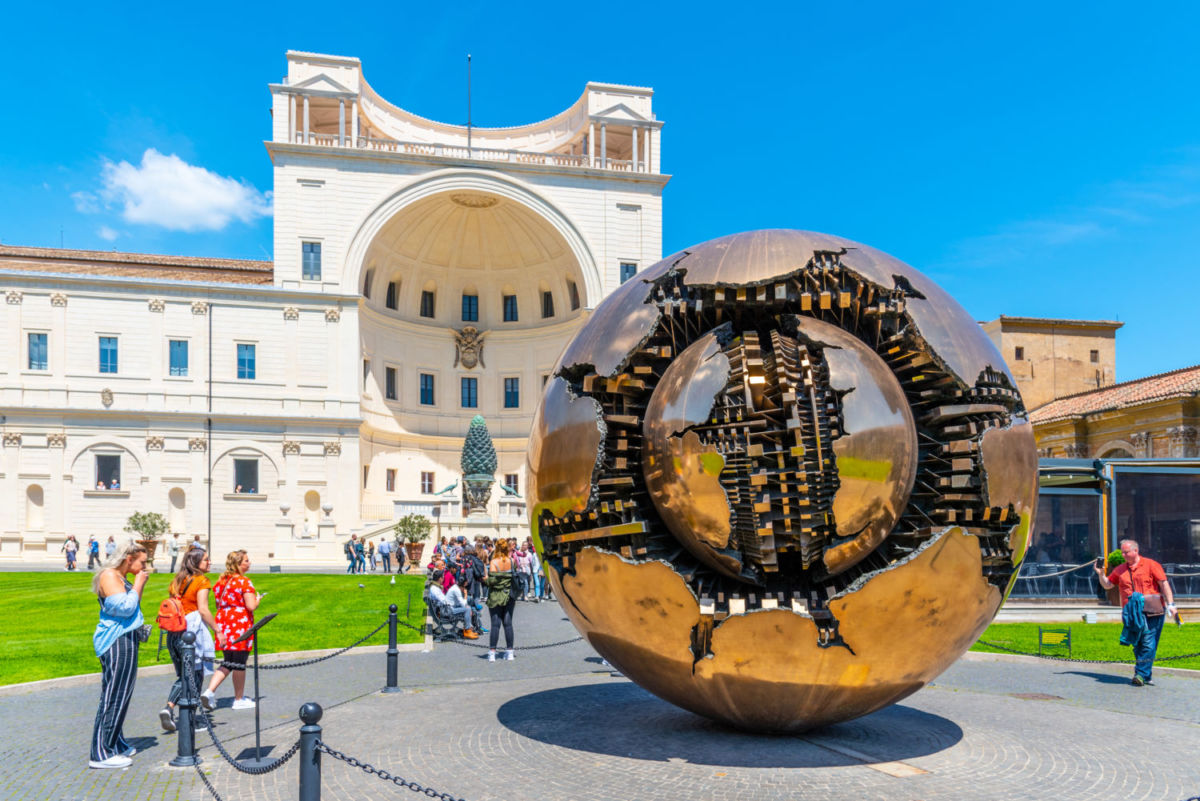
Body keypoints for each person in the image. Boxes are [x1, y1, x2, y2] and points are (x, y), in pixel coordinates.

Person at [89, 540, 149, 769]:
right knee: (114, 695)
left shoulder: (121, 578)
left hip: (125, 638)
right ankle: (100, 753)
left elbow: (130, 607)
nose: (145, 567)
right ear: (128, 558)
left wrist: (135, 585)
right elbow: (124, 608)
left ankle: (115, 743)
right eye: (142, 562)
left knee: (121, 694)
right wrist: (139, 584)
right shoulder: (110, 576)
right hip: (116, 641)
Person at [1095, 538, 1178, 686]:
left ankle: (1140, 674)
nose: (1124, 555)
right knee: (1138, 644)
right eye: (1122, 553)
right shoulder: (1120, 569)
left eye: (1126, 552)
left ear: (1136, 551)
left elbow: (1164, 584)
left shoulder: (1151, 565)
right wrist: (1101, 574)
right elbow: (1108, 585)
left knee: (1148, 642)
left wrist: (1171, 604)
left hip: (1152, 610)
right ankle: (1146, 675)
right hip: (1131, 612)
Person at [159, 549, 221, 733]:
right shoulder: (202, 581)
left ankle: (169, 708)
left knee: (184, 676)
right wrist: (217, 630)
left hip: (174, 633)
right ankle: (190, 720)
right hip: (191, 634)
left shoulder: (177, 580)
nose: (209, 563)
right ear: (196, 562)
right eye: (206, 560)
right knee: (195, 676)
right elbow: (203, 609)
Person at [204, 550, 262, 710]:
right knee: (240, 662)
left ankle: (209, 691)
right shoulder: (244, 582)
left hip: (224, 622)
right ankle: (238, 698)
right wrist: (257, 600)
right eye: (246, 561)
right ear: (238, 564)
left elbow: (217, 603)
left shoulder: (221, 582)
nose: (249, 563)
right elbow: (250, 606)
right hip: (239, 623)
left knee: (228, 660)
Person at [485, 539, 518, 662]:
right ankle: (510, 652)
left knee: (495, 624)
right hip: (509, 595)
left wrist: (485, 579)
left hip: (496, 595)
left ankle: (492, 653)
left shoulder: (494, 562)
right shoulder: (512, 561)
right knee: (508, 623)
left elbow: (492, 581)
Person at [428, 570, 480, 638]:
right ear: (440, 578)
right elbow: (445, 602)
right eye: (443, 577)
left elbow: (444, 601)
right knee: (467, 609)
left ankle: (469, 628)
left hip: (443, 609)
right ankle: (467, 631)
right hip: (445, 611)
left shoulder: (434, 587)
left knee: (466, 607)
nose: (443, 578)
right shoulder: (435, 589)